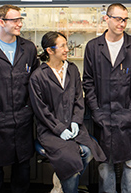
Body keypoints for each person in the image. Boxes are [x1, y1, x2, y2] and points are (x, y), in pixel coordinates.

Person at [29, 31, 106, 193]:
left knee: (89, 150)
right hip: (50, 131)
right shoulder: (38, 76)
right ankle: (66, 189)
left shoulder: (71, 69)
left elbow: (79, 99)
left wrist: (75, 121)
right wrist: (59, 129)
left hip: (73, 126)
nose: (67, 49)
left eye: (67, 45)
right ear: (50, 51)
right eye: (62, 46)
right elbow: (40, 109)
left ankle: (59, 187)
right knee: (71, 159)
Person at [83, 2, 131, 193]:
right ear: (107, 18)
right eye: (118, 19)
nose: (122, 23)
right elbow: (88, 81)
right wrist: (95, 110)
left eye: (125, 19)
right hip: (102, 114)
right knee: (104, 163)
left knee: (130, 164)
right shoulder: (93, 47)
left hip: (128, 115)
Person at [0, 4, 40, 193]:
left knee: (22, 169)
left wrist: (29, 107)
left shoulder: (28, 48)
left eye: (21, 19)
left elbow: (35, 80)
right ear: (1, 22)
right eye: (15, 20)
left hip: (22, 119)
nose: (20, 24)